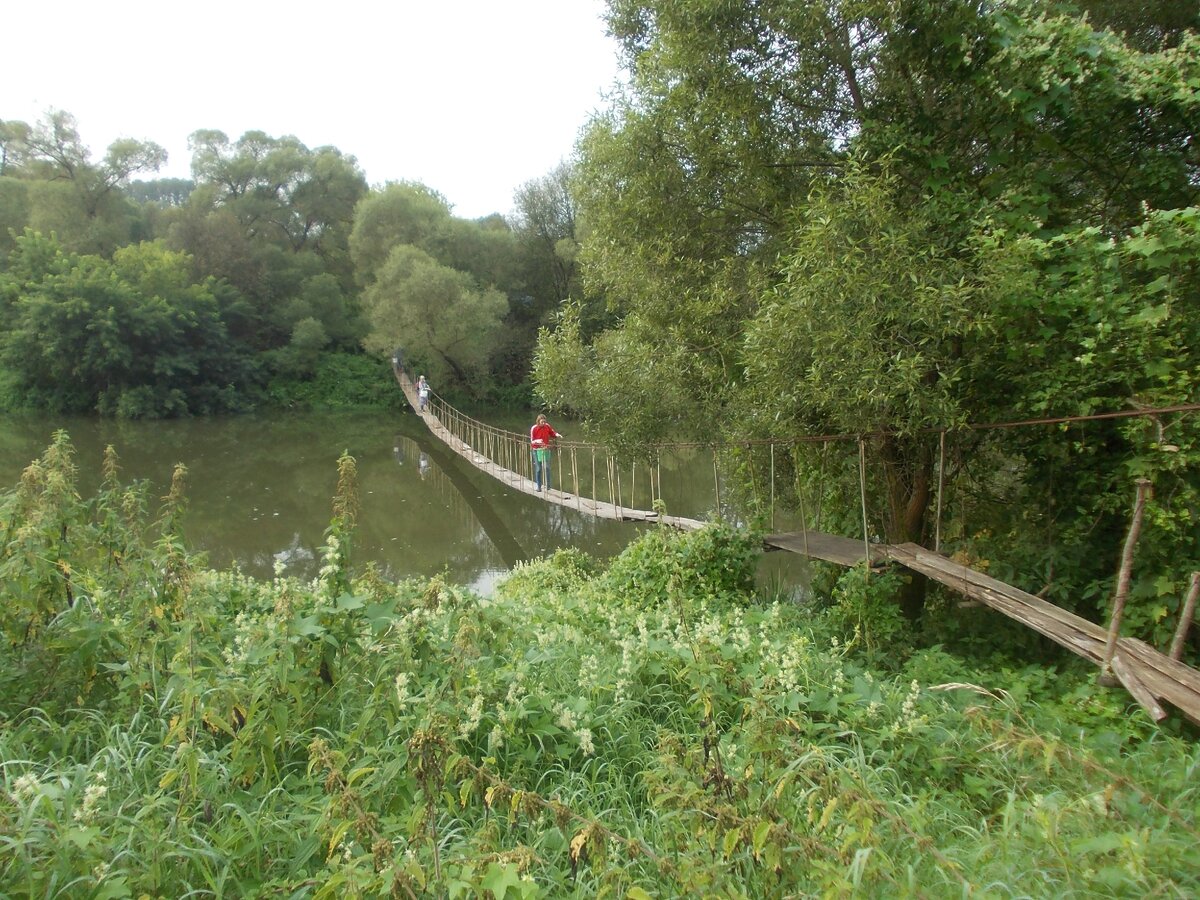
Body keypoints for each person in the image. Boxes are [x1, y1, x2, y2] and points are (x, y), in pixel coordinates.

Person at [529, 414, 561, 492]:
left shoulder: (547, 426)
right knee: (539, 469)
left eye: (544, 422)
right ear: (538, 421)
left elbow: (552, 433)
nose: (543, 423)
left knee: (547, 467)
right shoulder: (534, 428)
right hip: (536, 450)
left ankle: (548, 486)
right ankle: (539, 487)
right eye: (542, 422)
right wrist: (537, 441)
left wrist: (557, 435)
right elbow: (532, 441)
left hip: (545, 449)